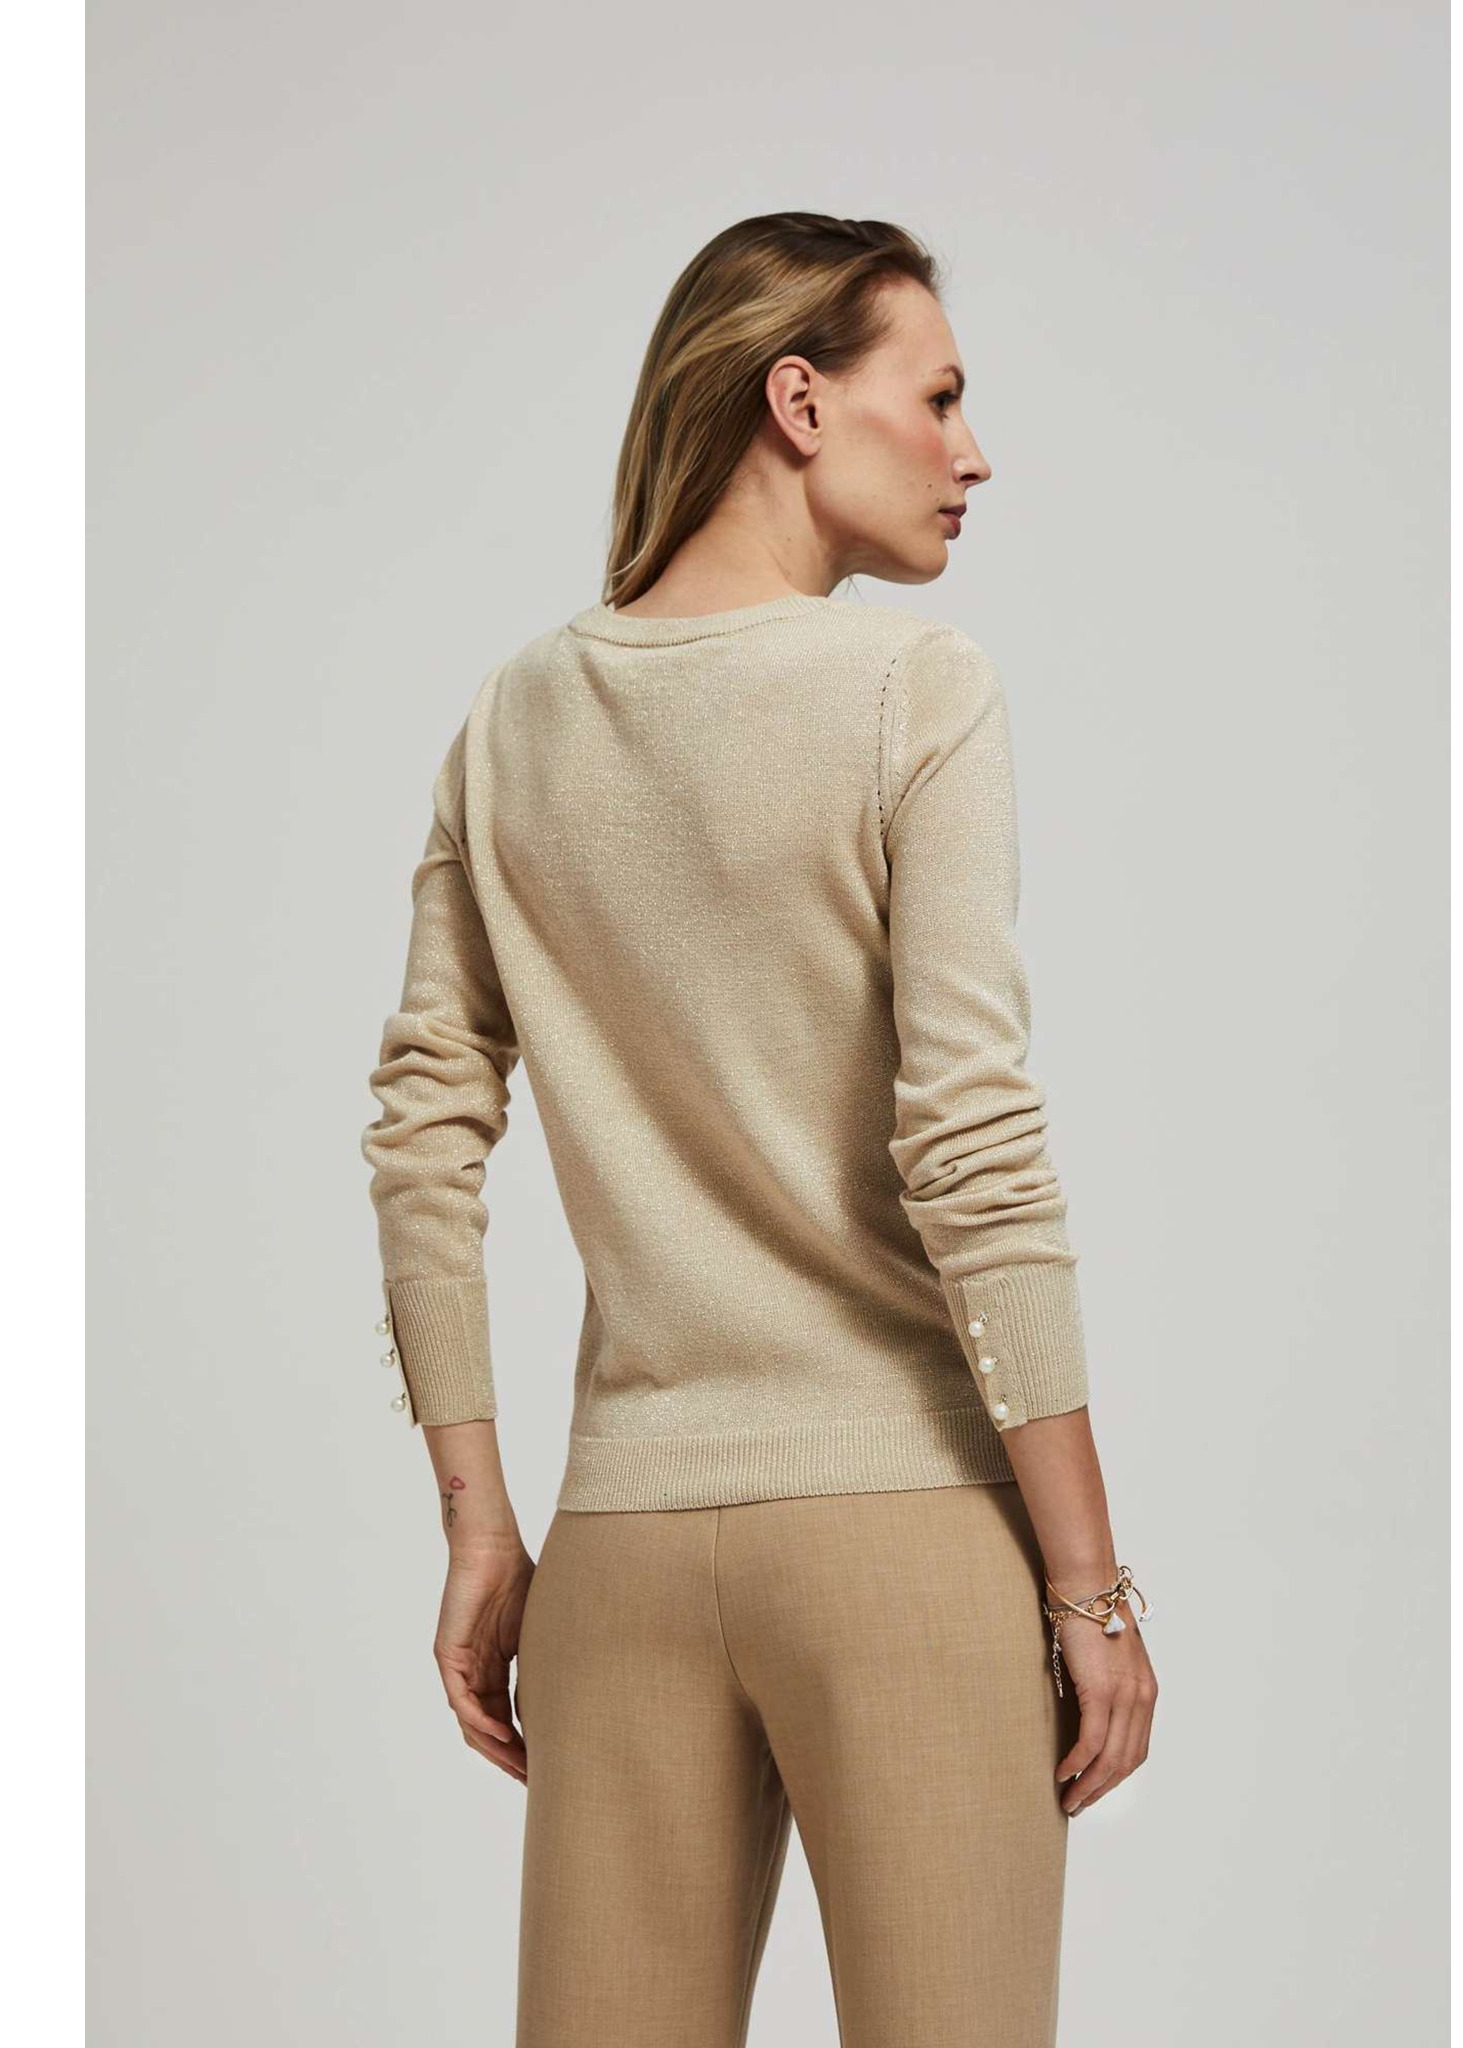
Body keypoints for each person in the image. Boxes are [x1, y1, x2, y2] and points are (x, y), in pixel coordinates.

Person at [360, 211, 1157, 2048]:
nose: (973, 453)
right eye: (937, 398)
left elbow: (422, 1131)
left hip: (621, 1554)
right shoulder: (912, 690)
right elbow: (972, 1145)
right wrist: (1090, 1587)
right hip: (904, 1532)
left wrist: (479, 1527)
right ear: (799, 402)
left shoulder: (511, 722)